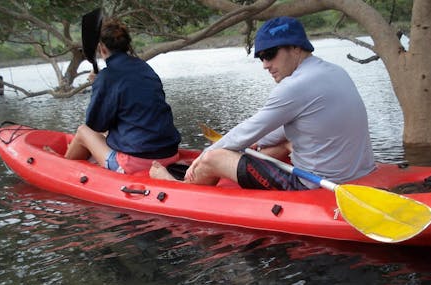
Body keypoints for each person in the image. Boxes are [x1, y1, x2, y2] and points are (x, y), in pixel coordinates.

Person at [150, 16, 375, 190]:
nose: (265, 64)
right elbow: (268, 131)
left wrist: (200, 159)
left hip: (314, 184)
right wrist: (255, 145)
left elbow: (247, 131)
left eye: (270, 54)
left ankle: (177, 185)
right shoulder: (336, 71)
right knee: (275, 143)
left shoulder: (294, 87)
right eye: (261, 57)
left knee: (213, 157)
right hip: (358, 173)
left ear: (296, 48)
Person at [64, 18, 181, 174]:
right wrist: (100, 83)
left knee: (83, 132)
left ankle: (62, 167)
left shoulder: (107, 77)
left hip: (138, 162)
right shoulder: (144, 68)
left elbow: (95, 125)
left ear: (101, 48)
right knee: (105, 134)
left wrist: (97, 85)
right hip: (171, 154)